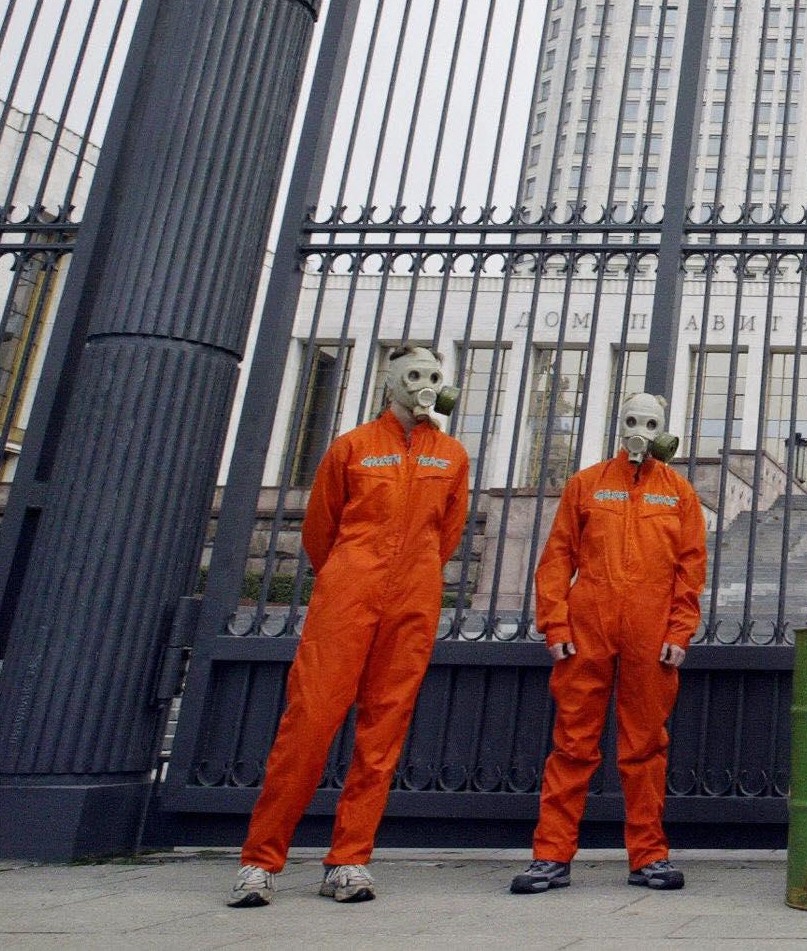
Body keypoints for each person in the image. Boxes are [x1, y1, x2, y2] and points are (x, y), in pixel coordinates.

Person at [229, 346, 470, 908]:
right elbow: (320, 528)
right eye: (413, 376)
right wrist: (348, 574)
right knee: (308, 724)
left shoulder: (452, 455)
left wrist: (412, 576)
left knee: (382, 734)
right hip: (347, 597)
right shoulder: (353, 447)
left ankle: (349, 861)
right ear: (391, 383)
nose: (424, 386)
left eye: (433, 377)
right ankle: (260, 860)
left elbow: (448, 533)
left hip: (412, 603)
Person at [510, 391, 706, 895]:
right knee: (572, 744)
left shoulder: (679, 493)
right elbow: (557, 559)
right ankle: (550, 856)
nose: (640, 430)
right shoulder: (587, 484)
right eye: (633, 420)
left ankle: (648, 856)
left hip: (651, 634)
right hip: (586, 630)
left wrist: (678, 631)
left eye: (650, 422)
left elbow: (691, 571)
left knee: (645, 747)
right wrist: (555, 625)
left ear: (664, 428)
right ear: (620, 425)